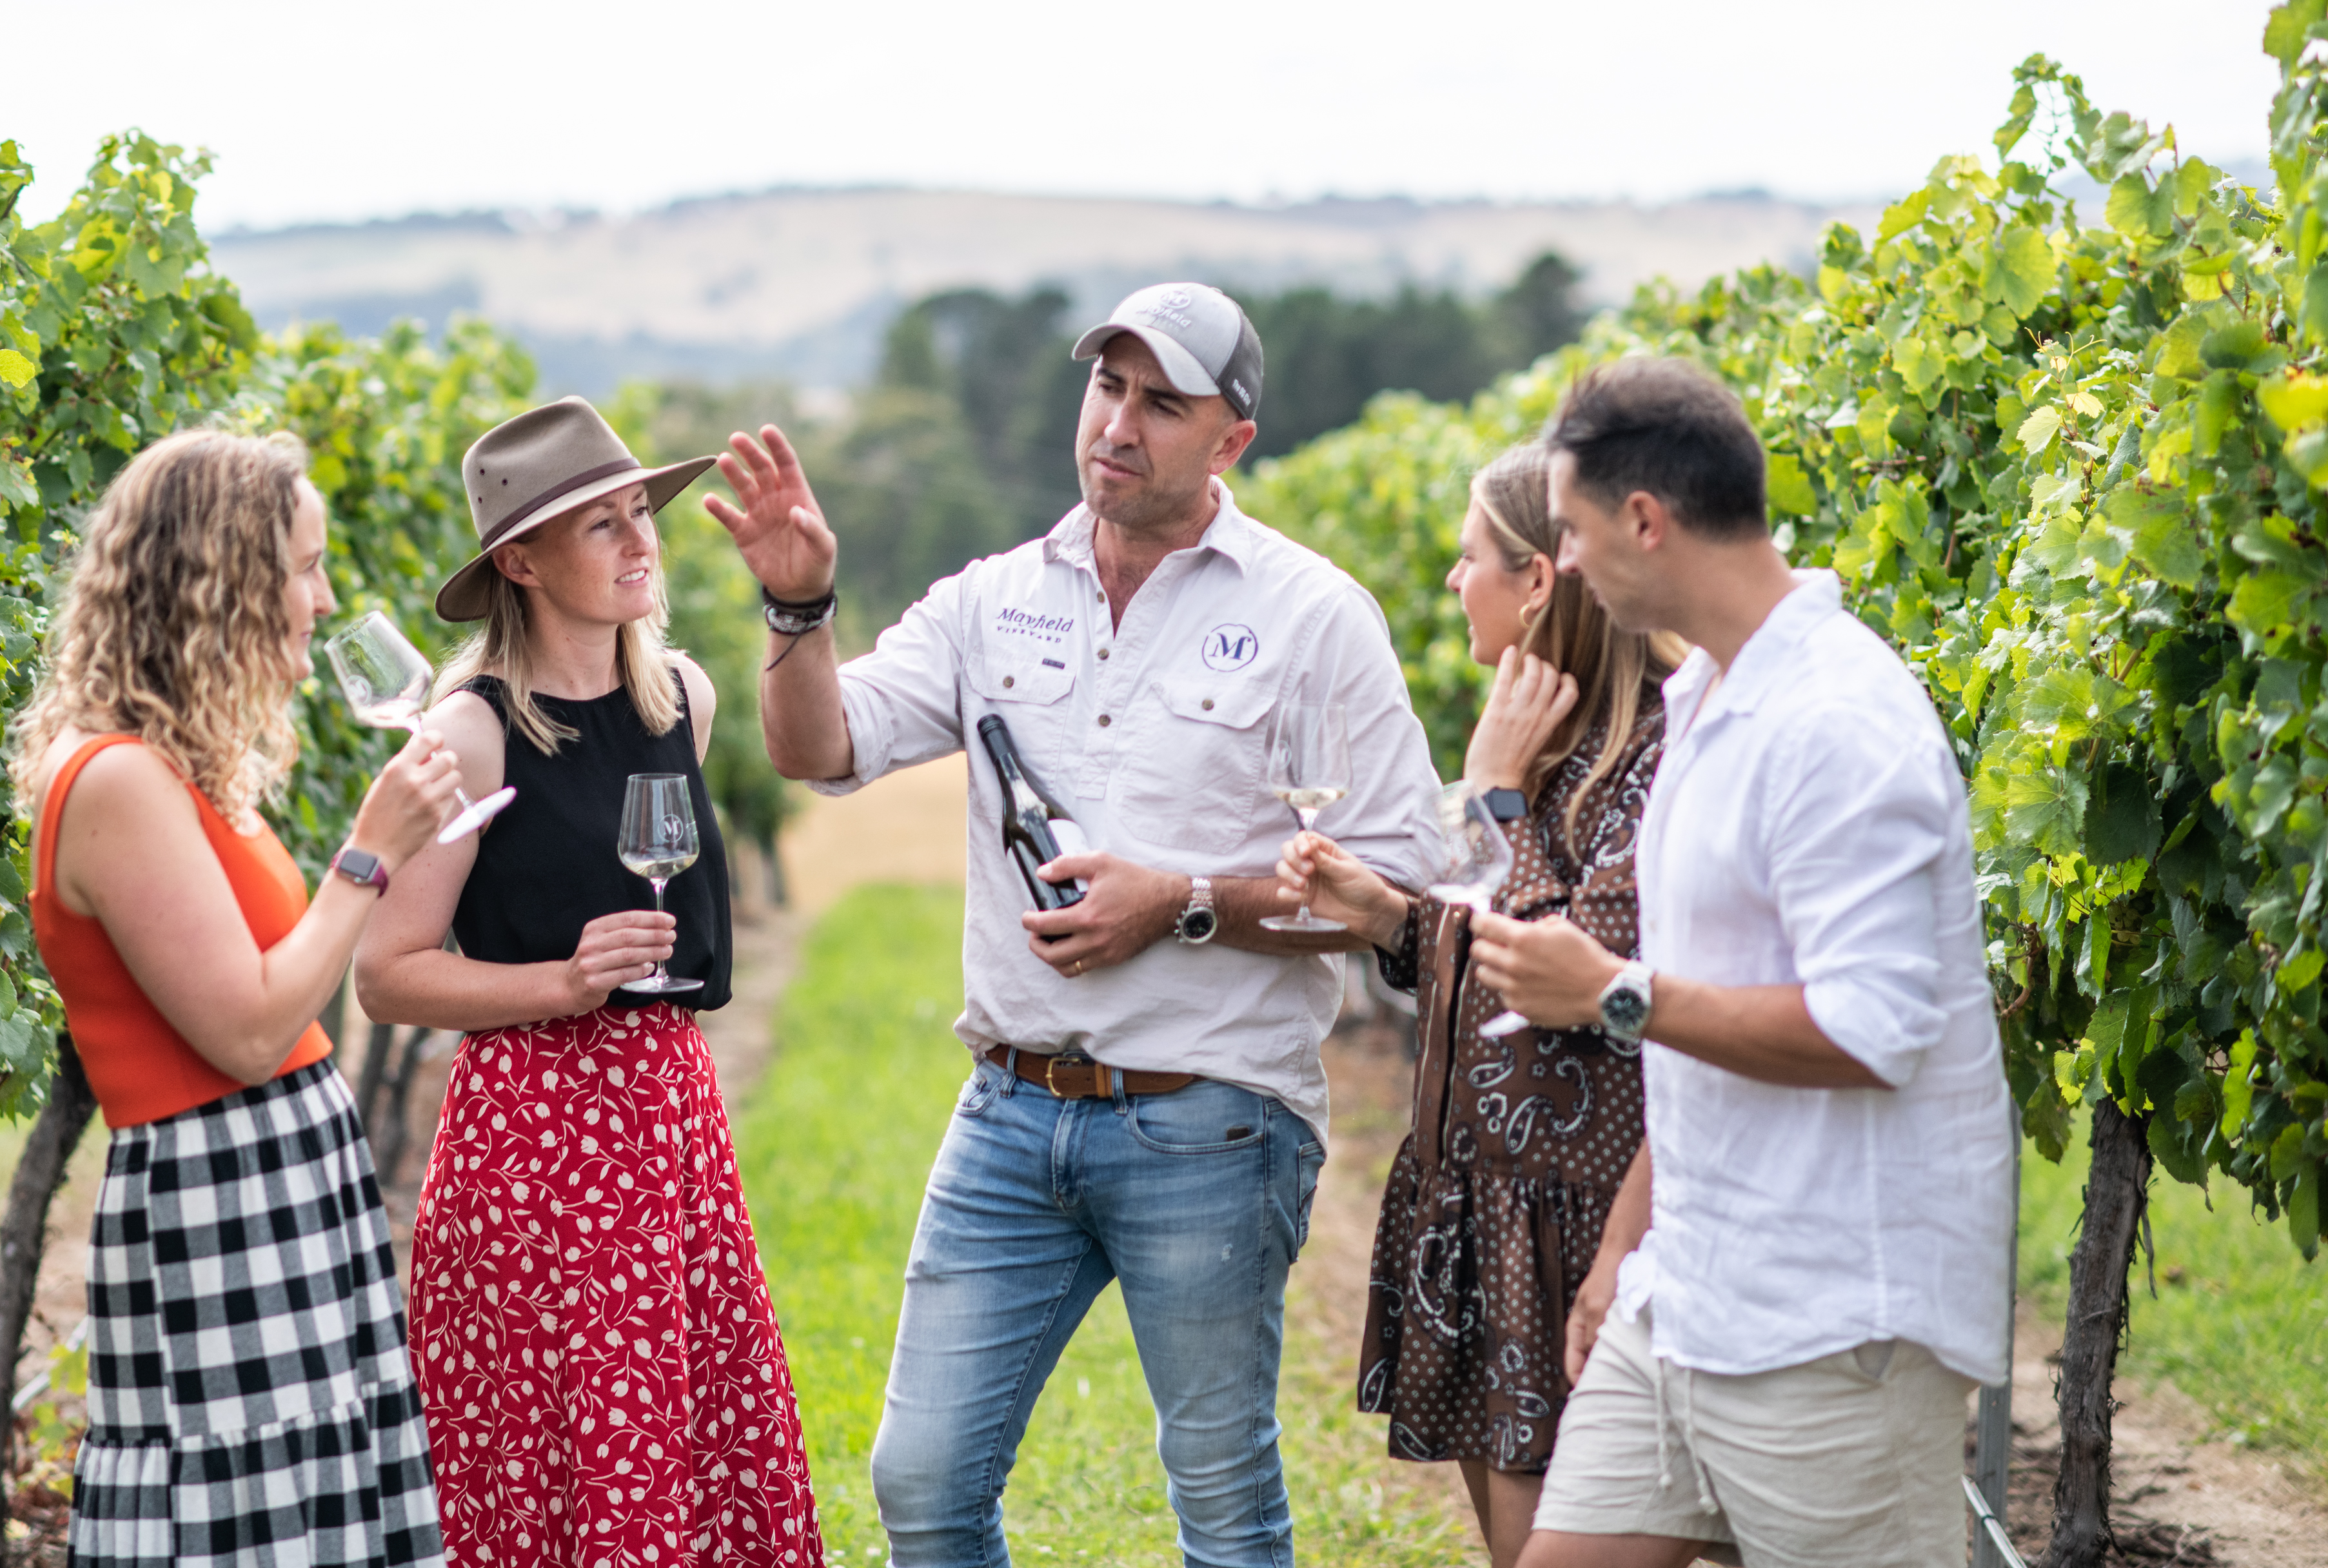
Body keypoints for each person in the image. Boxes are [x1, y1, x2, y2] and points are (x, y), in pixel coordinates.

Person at [709, 281, 1443, 1568]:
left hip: (1212, 1117)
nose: (1121, 421)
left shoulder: (1314, 617)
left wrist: (1182, 900)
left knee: (1220, 1498)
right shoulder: (994, 597)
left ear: (1232, 441)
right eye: (1109, 386)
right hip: (1006, 1112)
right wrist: (798, 610)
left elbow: (1394, 881)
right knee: (922, 1481)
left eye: (1164, 402)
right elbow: (819, 745)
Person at [1464, 356, 2017, 1568]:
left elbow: (1873, 1031)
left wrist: (1609, 992)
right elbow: (1703, 1025)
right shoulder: (1713, 695)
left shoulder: (1838, 722)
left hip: (1834, 1330)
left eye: (1573, 528)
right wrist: (1627, 1252)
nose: (1566, 559)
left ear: (1646, 522)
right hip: (1688, 1298)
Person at [353, 397, 824, 1568]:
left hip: (671, 1123)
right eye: (599, 526)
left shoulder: (685, 700)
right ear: (520, 561)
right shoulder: (470, 736)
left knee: (687, 1438)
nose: (640, 543)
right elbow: (385, 975)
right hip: (536, 1145)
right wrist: (561, 983)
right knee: (563, 1465)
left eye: (639, 516)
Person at [15, 427, 459, 1568]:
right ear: (222, 576)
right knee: (246, 1523)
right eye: (304, 567)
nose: (321, 599)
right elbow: (254, 1026)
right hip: (221, 1191)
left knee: (304, 1511)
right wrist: (369, 855)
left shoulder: (179, 768)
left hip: (279, 1180)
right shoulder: (115, 778)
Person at [1272, 442, 1682, 1568]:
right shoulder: (1560, 745)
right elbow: (1471, 942)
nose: (1455, 583)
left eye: (1469, 561)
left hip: (1577, 1223)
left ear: (1538, 581)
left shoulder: (1652, 756)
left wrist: (1488, 789)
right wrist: (1387, 916)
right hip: (1484, 1204)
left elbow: (1571, 972)